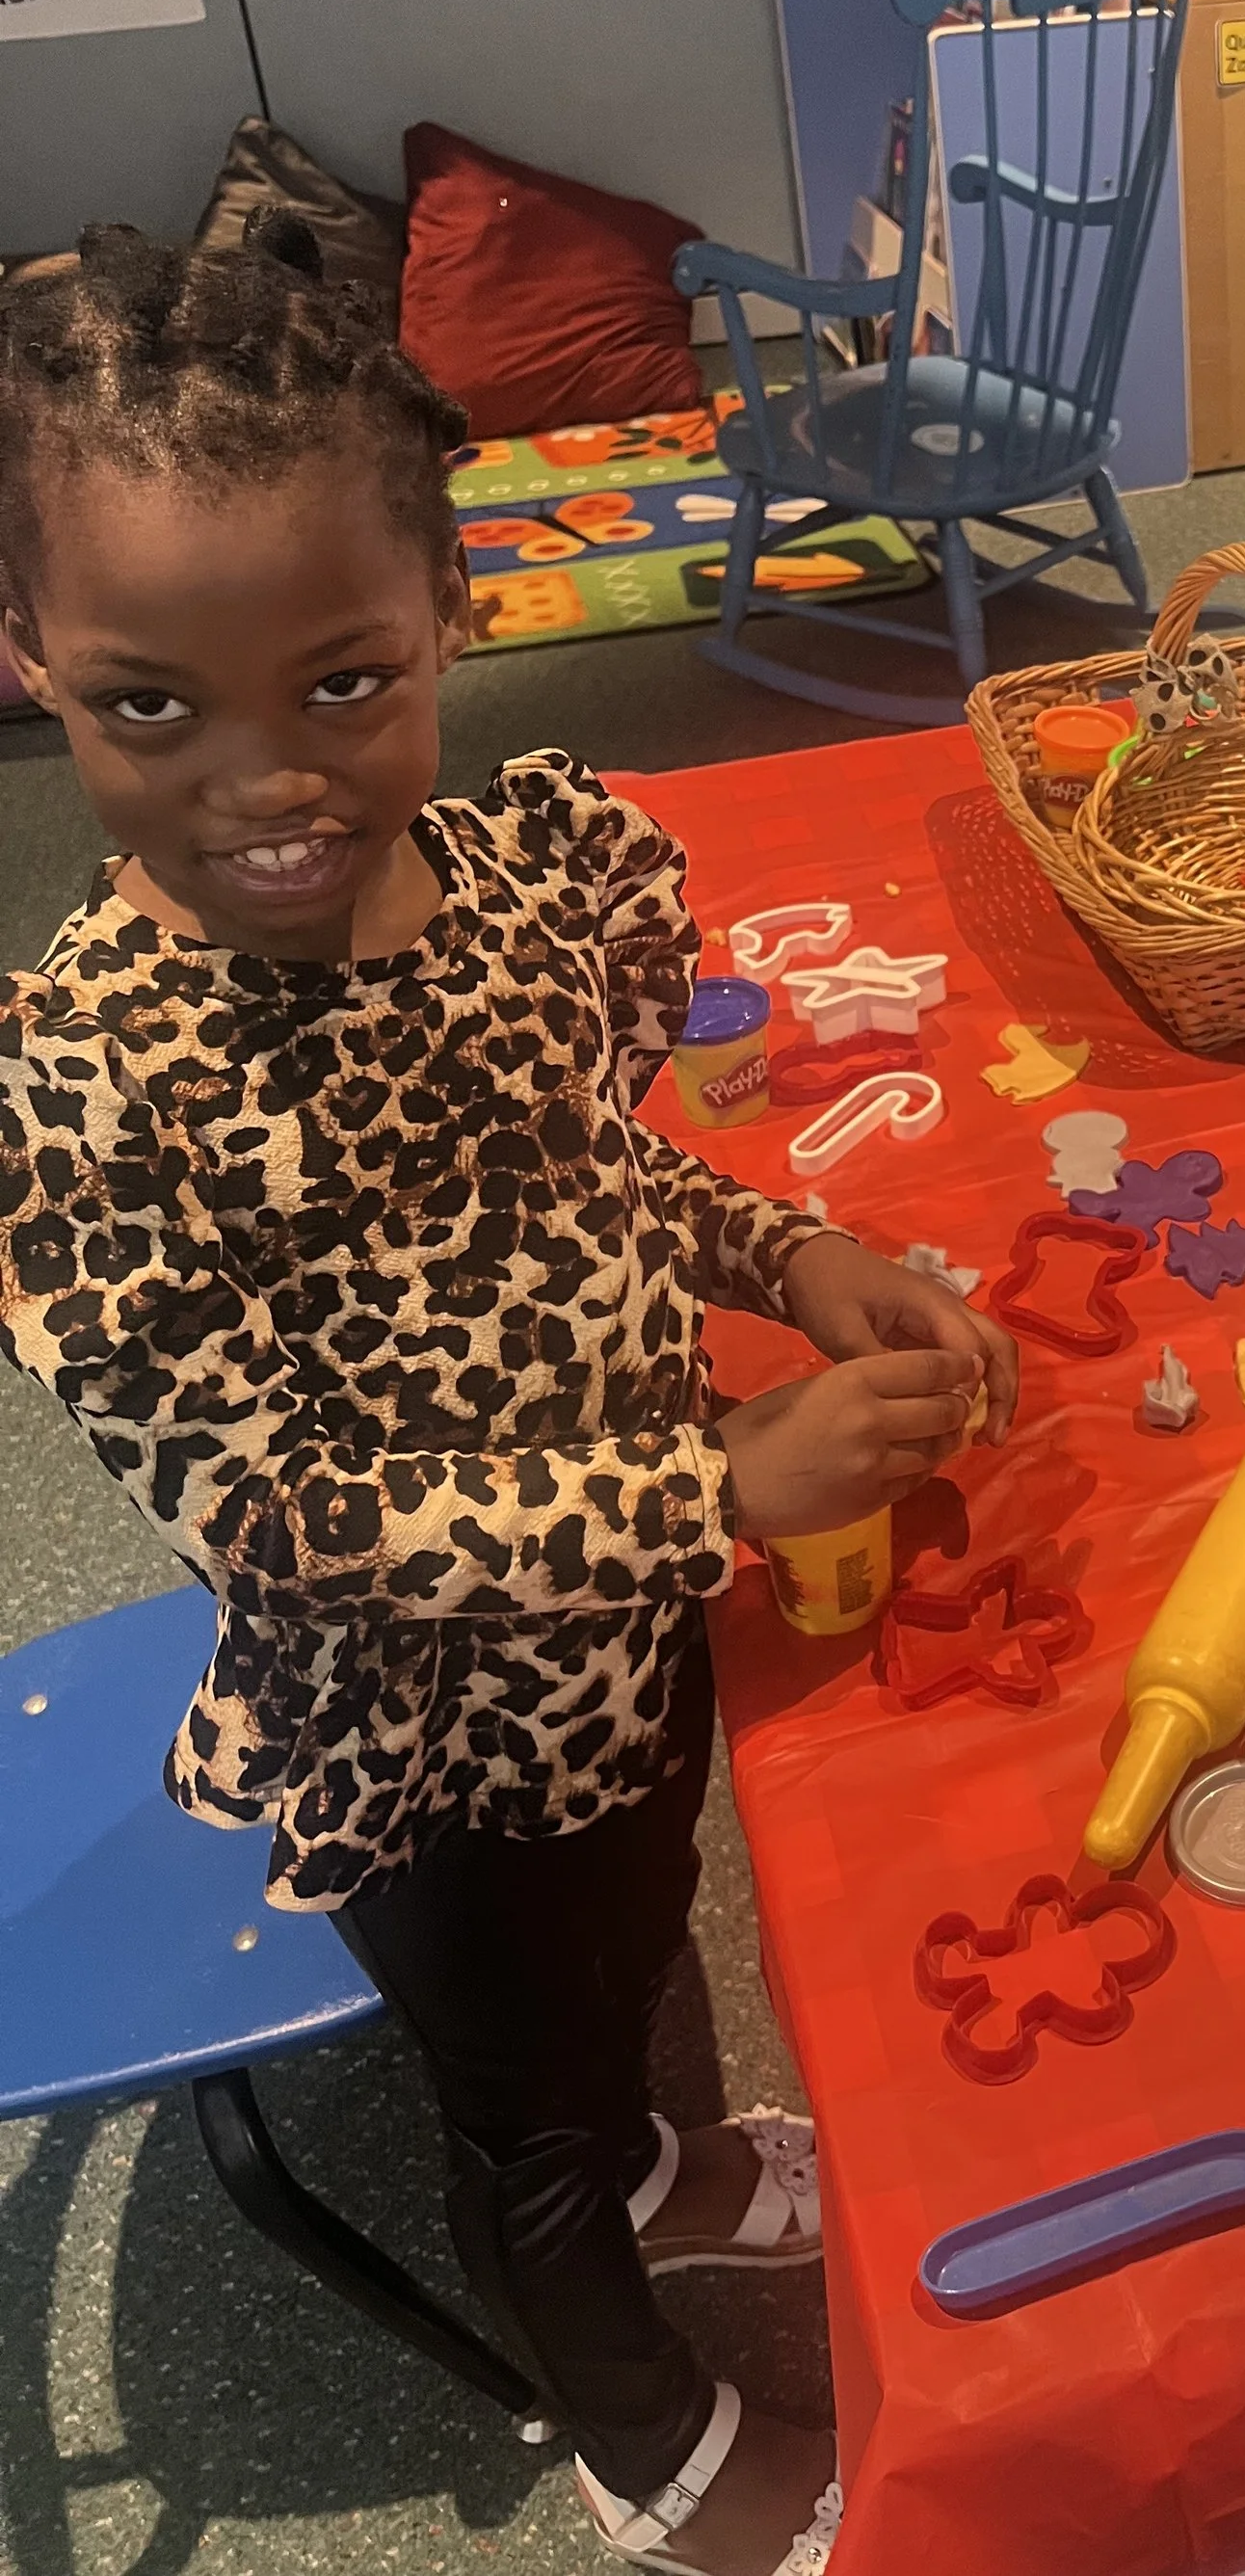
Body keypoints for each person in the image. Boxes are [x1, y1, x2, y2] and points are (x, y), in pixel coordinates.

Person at [0, 216, 1021, 2576]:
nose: (267, 783)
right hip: (420, 1731)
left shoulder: (500, 887)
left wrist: (789, 1250)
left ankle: (669, 2158)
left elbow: (582, 1166)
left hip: (625, 1637)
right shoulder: (81, 1099)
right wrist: (722, 1481)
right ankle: (652, 2443)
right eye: (151, 703)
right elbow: (277, 1508)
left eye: (342, 681)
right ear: (34, 657)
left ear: (455, 605)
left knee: (649, 1922)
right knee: (526, 2116)